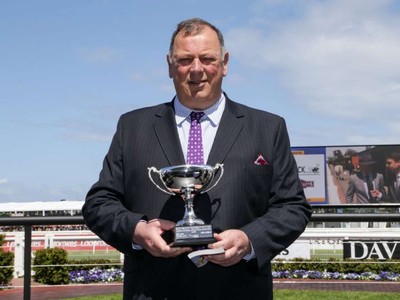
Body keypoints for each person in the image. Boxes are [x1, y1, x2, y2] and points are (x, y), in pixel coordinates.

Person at [82, 18, 312, 300]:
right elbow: (98, 203)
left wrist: (249, 239)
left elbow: (292, 207)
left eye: (207, 59)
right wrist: (138, 231)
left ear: (225, 63)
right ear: (169, 65)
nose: (196, 70)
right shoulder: (133, 127)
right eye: (184, 60)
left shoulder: (268, 128)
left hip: (239, 290)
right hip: (154, 290)